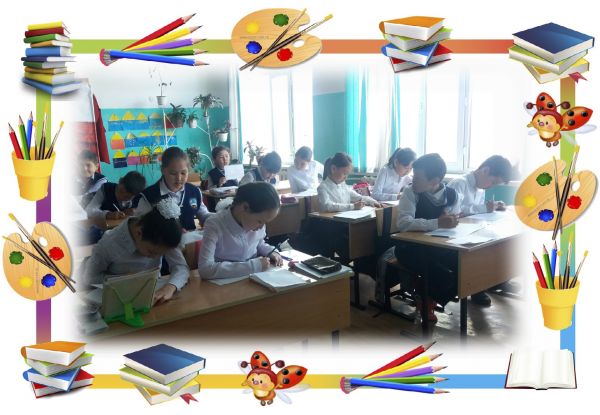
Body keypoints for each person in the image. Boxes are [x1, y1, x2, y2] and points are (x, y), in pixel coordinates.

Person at [394, 153, 461, 323]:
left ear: (434, 181)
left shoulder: (452, 195)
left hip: (439, 246)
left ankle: (427, 296)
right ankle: (426, 298)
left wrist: (451, 221)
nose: (413, 180)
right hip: (409, 248)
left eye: (418, 177)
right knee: (441, 274)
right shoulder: (411, 192)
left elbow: (453, 220)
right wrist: (437, 223)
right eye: (413, 175)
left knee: (463, 267)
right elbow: (403, 223)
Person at [82, 198, 189, 305]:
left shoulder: (164, 236)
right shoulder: (110, 243)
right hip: (118, 299)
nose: (154, 257)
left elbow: (181, 267)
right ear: (139, 233)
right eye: (151, 252)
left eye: (161, 254)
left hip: (151, 296)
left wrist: (170, 287)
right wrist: (122, 280)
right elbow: (90, 277)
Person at [448, 155, 513, 306]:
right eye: (493, 182)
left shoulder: (480, 188)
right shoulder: (460, 183)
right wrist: (484, 208)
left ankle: (496, 280)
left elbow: (474, 212)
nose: (492, 186)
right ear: (485, 170)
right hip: (453, 234)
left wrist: (493, 207)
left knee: (499, 242)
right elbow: (454, 211)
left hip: (470, 229)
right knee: (481, 250)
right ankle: (476, 288)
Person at [197, 182, 283, 279]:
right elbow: (205, 269)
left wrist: (271, 252)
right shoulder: (215, 224)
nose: (261, 227)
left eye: (265, 223)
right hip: (224, 282)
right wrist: (252, 266)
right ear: (245, 207)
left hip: (253, 278)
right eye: (260, 221)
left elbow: (259, 244)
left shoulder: (255, 224)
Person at [137, 146, 211, 231]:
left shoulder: (194, 192)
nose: (179, 178)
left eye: (183, 173)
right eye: (173, 173)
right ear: (163, 170)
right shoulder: (148, 197)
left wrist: (215, 218)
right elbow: (141, 228)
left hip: (191, 239)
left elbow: (203, 214)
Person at [317, 152, 382, 211]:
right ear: (333, 169)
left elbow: (359, 197)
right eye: (344, 174)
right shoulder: (323, 187)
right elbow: (327, 206)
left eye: (347, 174)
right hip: (330, 220)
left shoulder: (343, 186)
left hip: (345, 218)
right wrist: (352, 206)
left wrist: (373, 202)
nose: (346, 177)